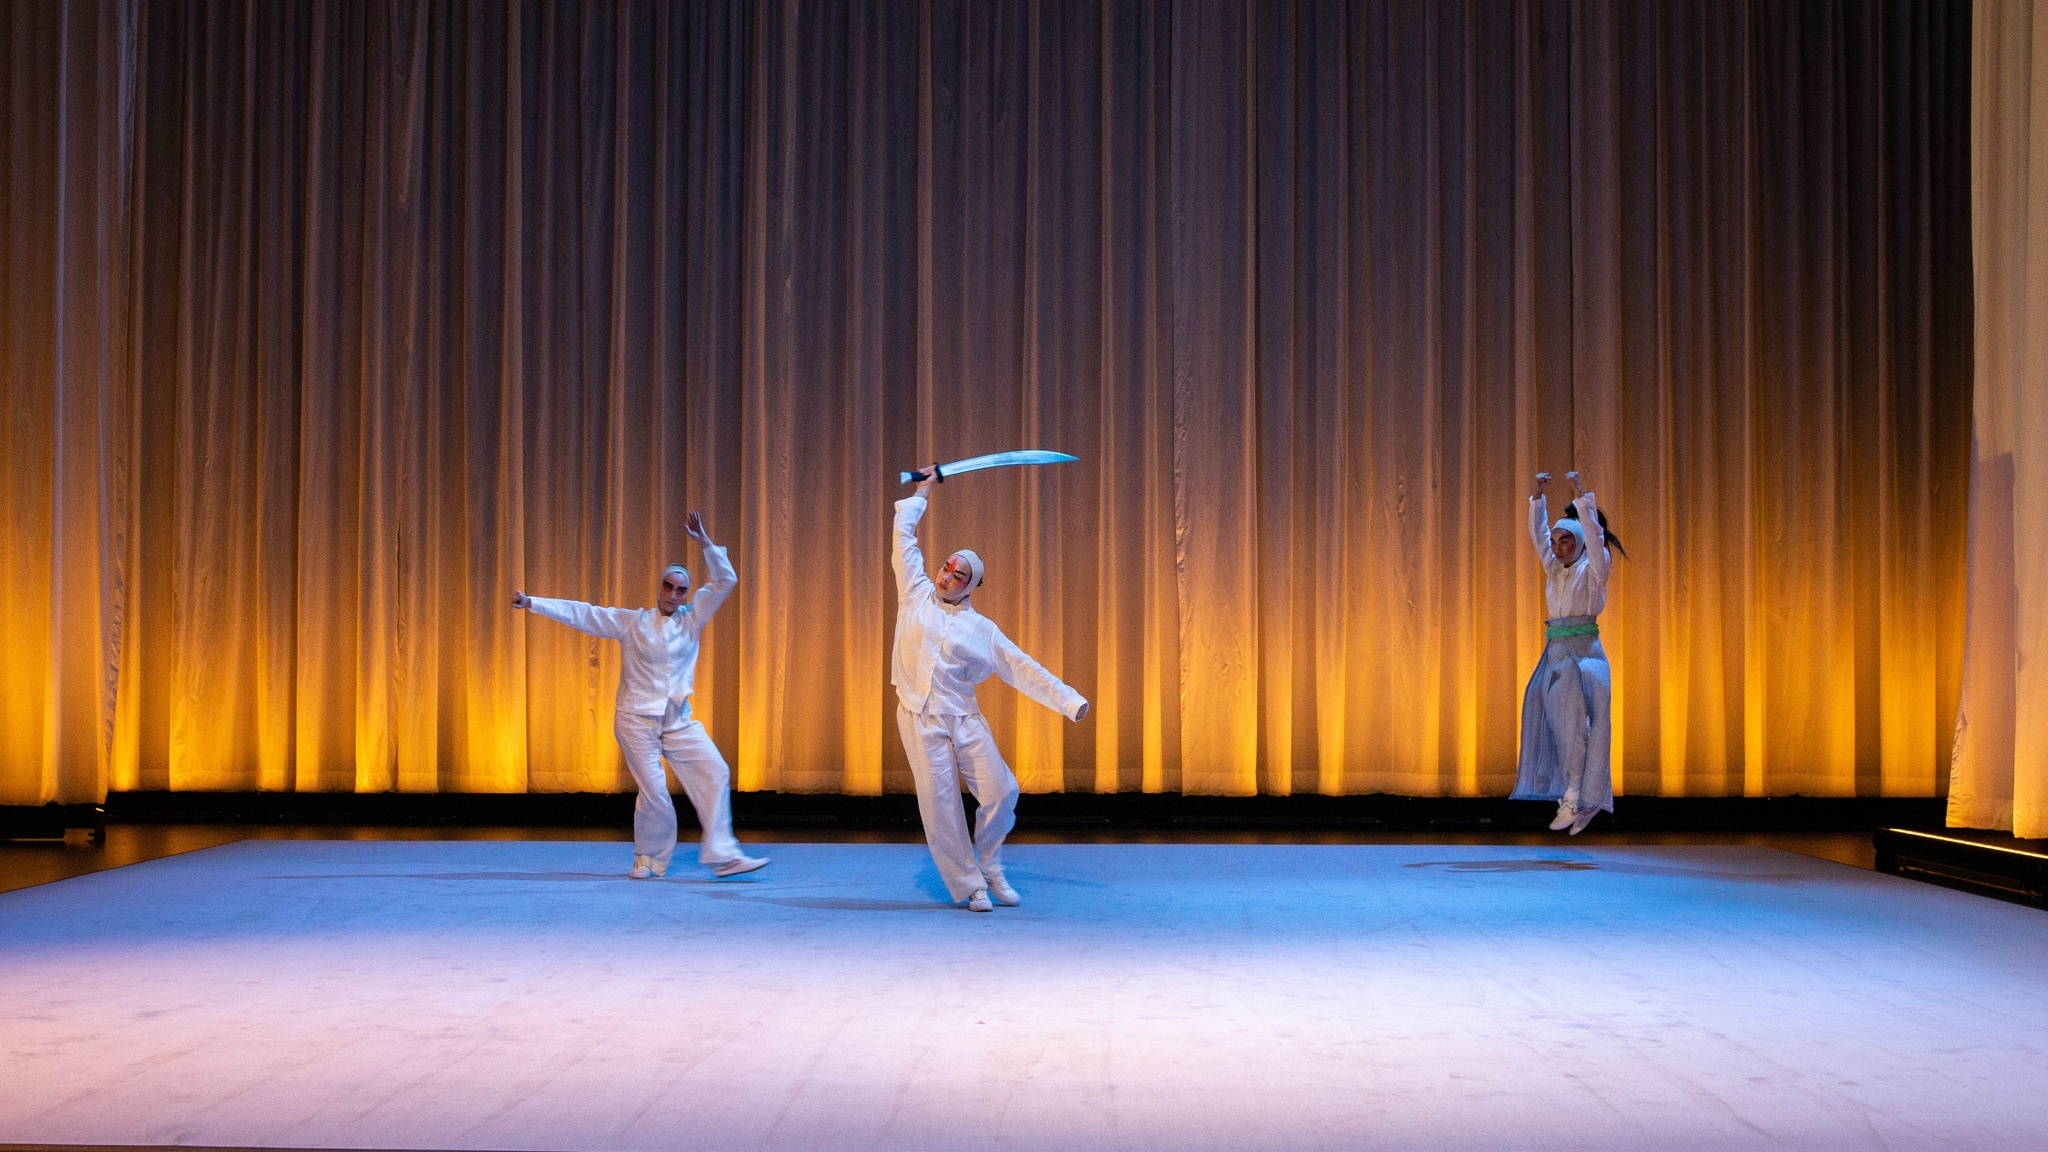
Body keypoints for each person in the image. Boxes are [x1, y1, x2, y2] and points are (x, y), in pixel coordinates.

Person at [513, 512, 767, 879]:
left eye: (682, 589)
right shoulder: (633, 621)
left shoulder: (692, 619)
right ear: (660, 587)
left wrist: (706, 545)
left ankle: (723, 854)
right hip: (635, 720)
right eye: (669, 586)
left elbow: (726, 580)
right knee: (655, 793)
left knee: (715, 770)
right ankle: (648, 858)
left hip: (677, 718)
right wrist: (532, 602)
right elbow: (583, 614)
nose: (675, 594)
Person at [892, 467, 1088, 911]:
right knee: (940, 808)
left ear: (972, 585)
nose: (946, 576)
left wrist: (1070, 700)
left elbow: (1024, 668)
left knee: (1003, 791)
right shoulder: (915, 594)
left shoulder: (982, 629)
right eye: (946, 567)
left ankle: (990, 861)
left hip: (963, 717)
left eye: (958, 575)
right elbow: (904, 536)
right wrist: (923, 490)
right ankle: (969, 885)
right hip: (921, 720)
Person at [1513, 471, 1618, 835]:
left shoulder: (1594, 569)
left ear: (1580, 543)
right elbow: (1538, 537)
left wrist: (1582, 500)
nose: (1557, 548)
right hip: (1557, 653)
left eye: (1565, 541)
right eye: (1556, 542)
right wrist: (1536, 498)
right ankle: (1583, 797)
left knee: (1583, 728)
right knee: (1565, 727)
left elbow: (1595, 537)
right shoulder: (1555, 569)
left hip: (1585, 655)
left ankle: (1578, 798)